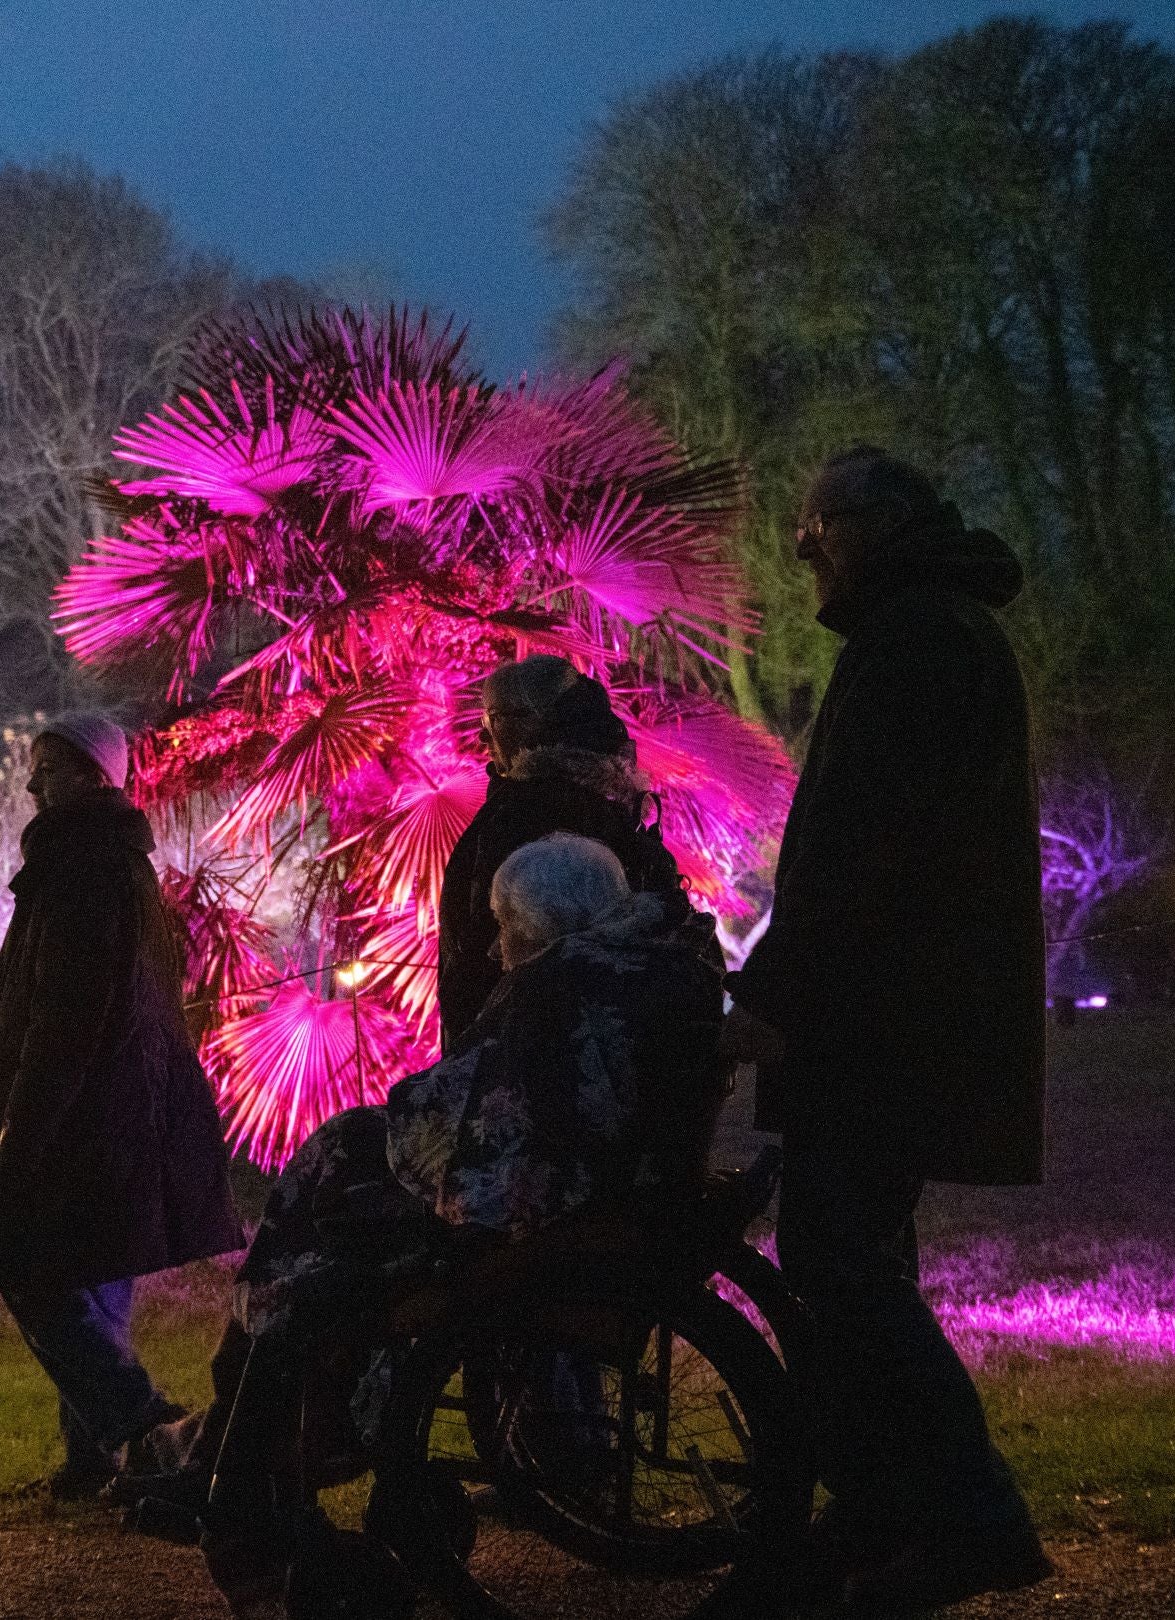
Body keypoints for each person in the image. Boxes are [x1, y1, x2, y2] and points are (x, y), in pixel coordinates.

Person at [140, 836, 722, 1617]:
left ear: (542, 924)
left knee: (308, 1269)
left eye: (503, 924)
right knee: (332, 1171)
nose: (494, 944)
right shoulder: (652, 964)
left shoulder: (557, 988)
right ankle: (225, 1443)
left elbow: (484, 1127)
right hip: (609, 1203)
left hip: (526, 1221)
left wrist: (399, 1128)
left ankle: (238, 1483)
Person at [701, 447, 1055, 1618]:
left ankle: (969, 1519)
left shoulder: (915, 643)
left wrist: (775, 993)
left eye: (819, 525)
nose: (804, 547)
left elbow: (865, 849)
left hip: (885, 1019)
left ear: (883, 523)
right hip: (895, 1011)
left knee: (846, 1271)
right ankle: (878, 1512)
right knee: (845, 1267)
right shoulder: (931, 631)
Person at [0, 714, 245, 1502]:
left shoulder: (81, 866)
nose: (30, 784)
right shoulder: (106, 859)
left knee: (32, 1266)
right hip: (118, 1112)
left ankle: (147, 1430)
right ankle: (97, 1460)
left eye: (45, 768)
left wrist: (26, 1124)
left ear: (88, 773)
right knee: (88, 1272)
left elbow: (67, 1012)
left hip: (91, 1114)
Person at [438, 656, 691, 1045]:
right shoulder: (612, 800)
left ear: (530, 722)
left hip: (528, 1051)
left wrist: (468, 1050)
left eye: (492, 720)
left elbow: (488, 955)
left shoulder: (525, 813)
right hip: (608, 1045)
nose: (482, 738)